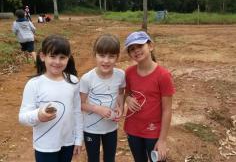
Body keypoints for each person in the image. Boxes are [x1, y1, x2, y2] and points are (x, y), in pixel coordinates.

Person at [18, 35, 83, 162]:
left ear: (68, 58)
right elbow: (22, 117)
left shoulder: (73, 81)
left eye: (62, 57)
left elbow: (77, 112)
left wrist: (78, 139)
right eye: (52, 56)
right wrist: (38, 115)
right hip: (45, 145)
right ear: (43, 56)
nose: (57, 62)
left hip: (68, 142)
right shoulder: (34, 84)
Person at [123, 31, 175, 162]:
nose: (136, 51)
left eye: (140, 46)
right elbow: (126, 93)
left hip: (153, 132)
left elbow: (167, 109)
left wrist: (162, 140)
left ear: (151, 46)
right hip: (133, 129)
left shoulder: (163, 75)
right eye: (132, 49)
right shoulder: (129, 73)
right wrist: (128, 99)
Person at [80, 34, 125, 162]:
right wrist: (97, 109)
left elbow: (121, 93)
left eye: (111, 56)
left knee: (110, 158)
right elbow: (80, 104)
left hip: (111, 127)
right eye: (102, 55)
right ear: (95, 55)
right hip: (91, 128)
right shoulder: (87, 78)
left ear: (117, 57)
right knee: (93, 158)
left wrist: (120, 107)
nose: (106, 61)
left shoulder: (120, 75)